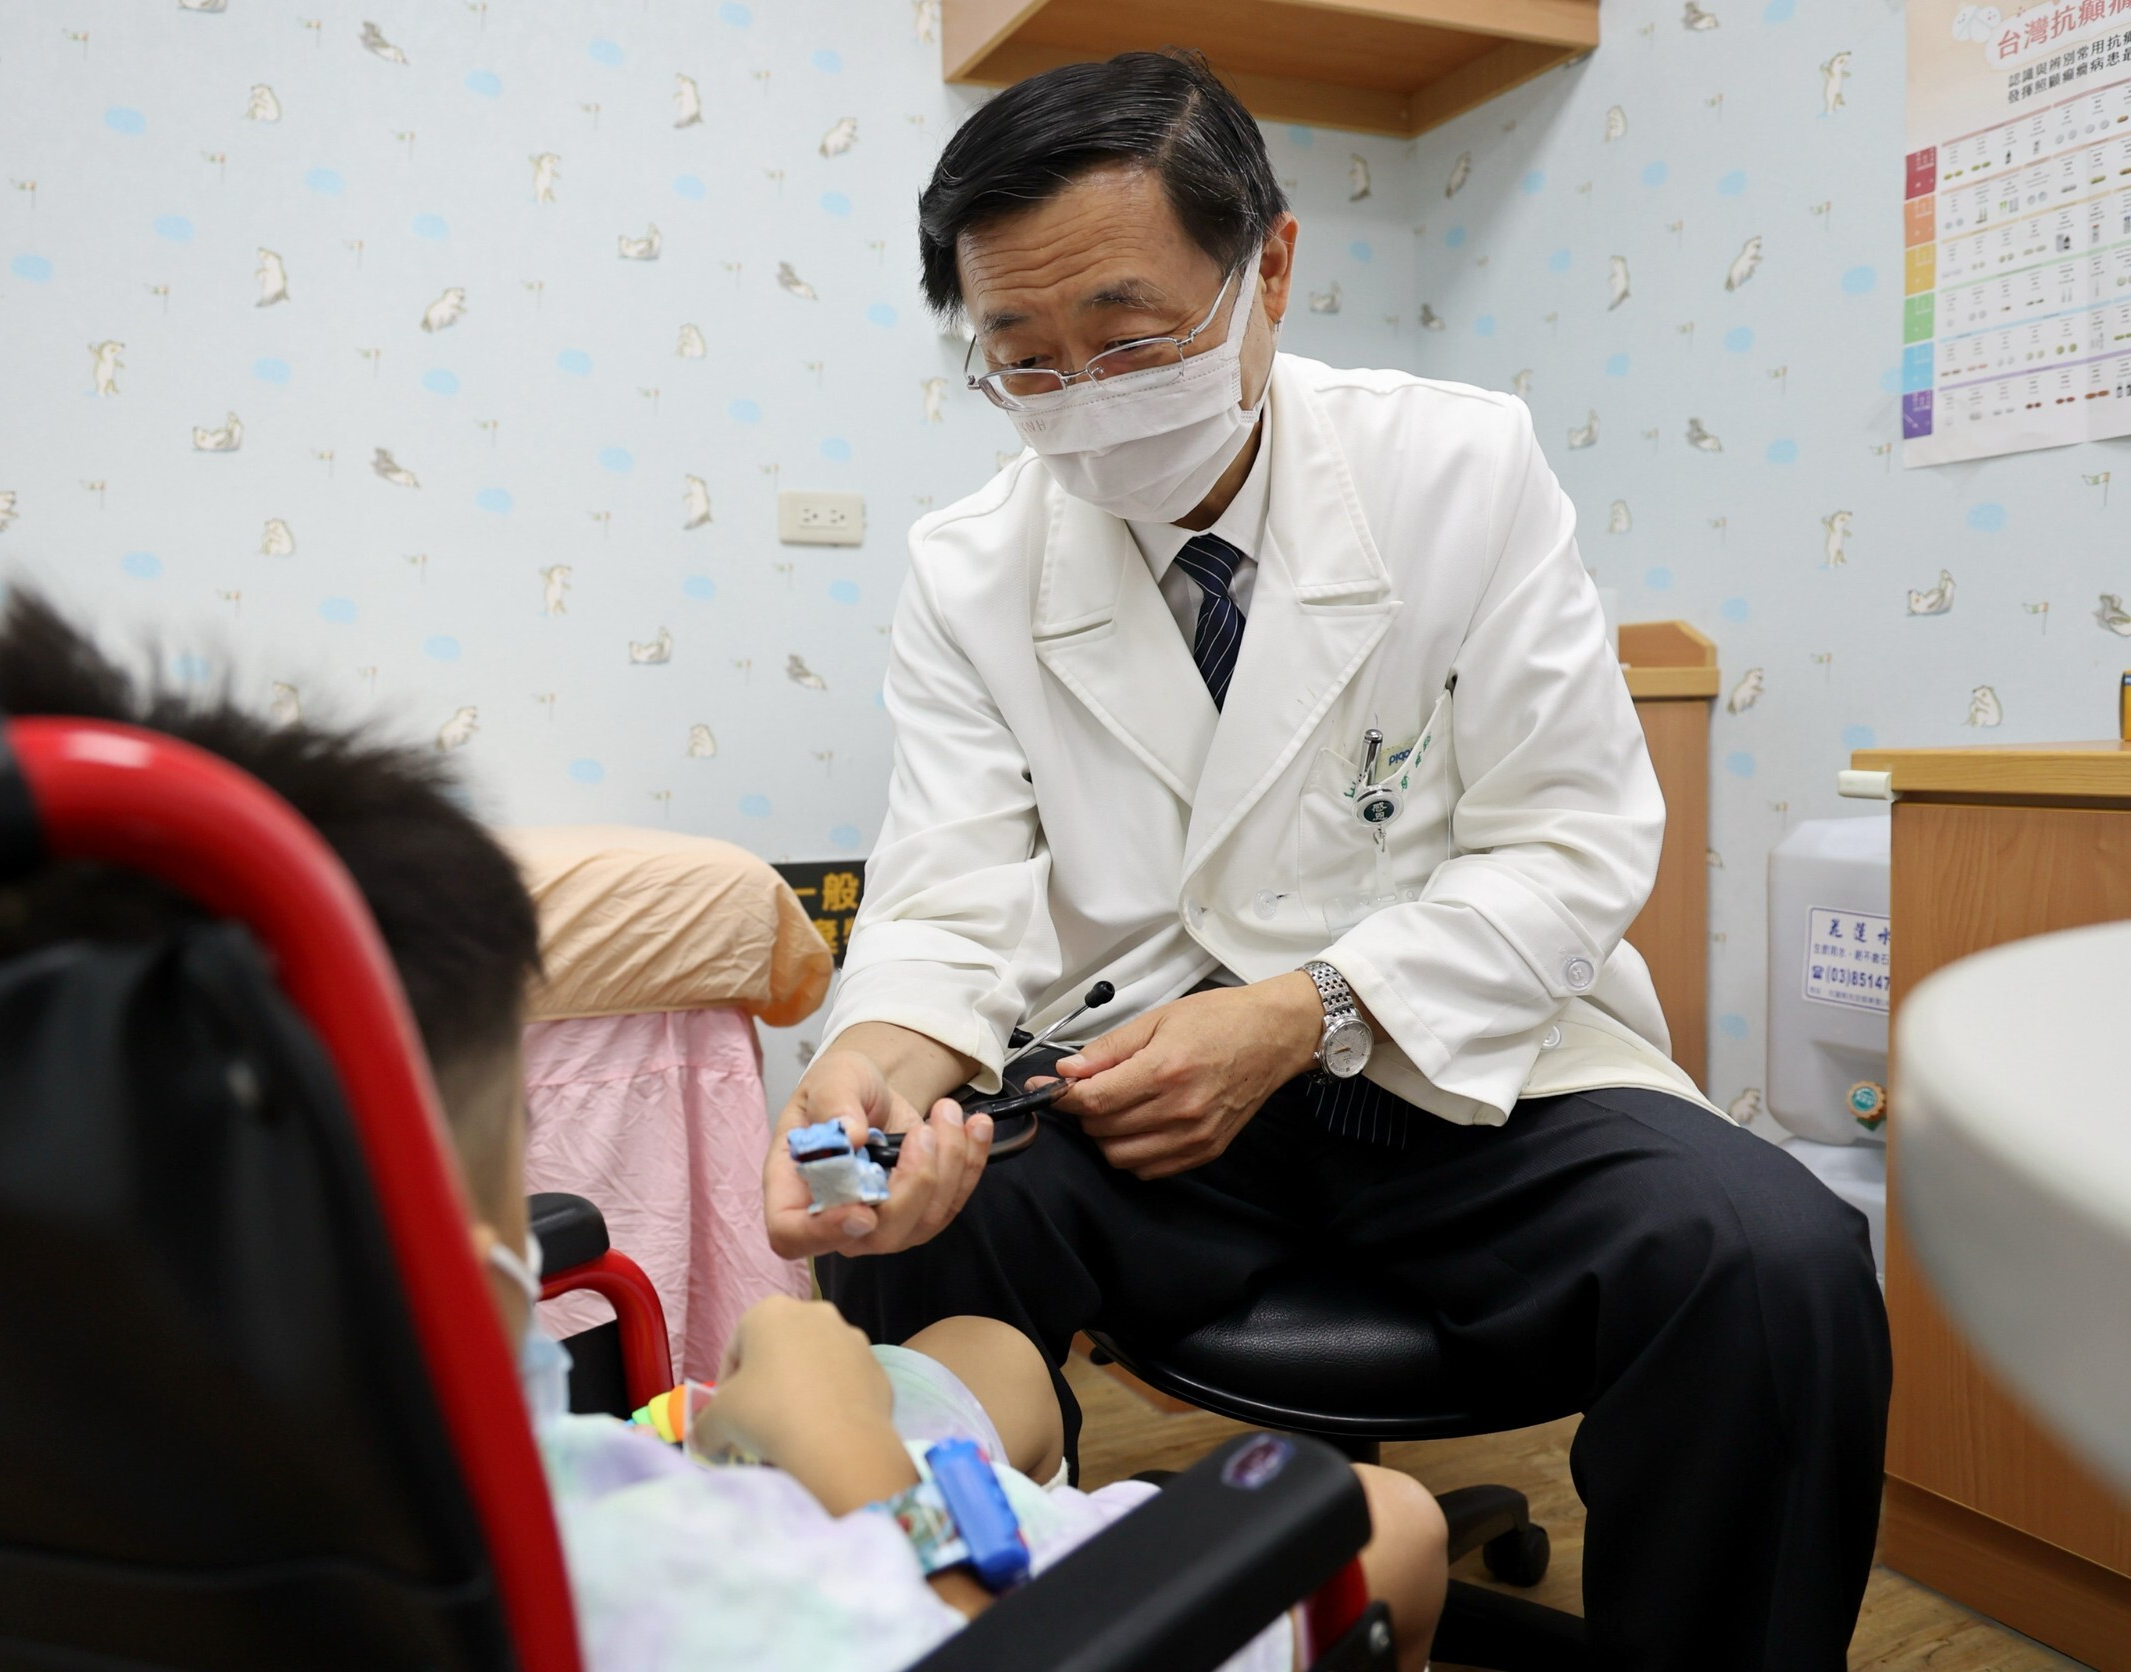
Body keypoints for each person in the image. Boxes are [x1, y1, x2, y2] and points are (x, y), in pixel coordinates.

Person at [767, 49, 1892, 1672]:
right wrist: (873, 1069)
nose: (1085, 397)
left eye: (1130, 340)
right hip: (1139, 1085)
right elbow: (948, 891)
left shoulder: (1458, 470)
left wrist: (1308, 1011)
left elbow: (1572, 839)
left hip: (1463, 1071)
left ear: (1272, 267)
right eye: (1024, 361)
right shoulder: (968, 570)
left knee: (1777, 1262)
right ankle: (1014, 1633)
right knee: (919, 1224)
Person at [0, 590, 1449, 1672]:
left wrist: (876, 1067)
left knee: (984, 1357)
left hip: (605, 1477)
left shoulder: (59, 1479)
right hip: (866, 1572)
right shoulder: (704, 1610)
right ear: (452, 1260)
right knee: (1384, 1523)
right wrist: (845, 1459)